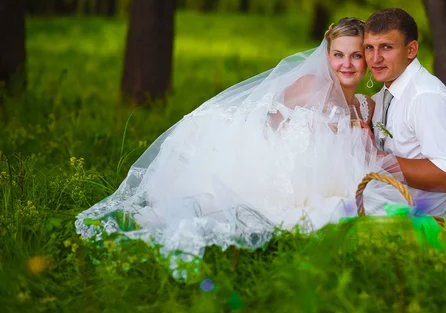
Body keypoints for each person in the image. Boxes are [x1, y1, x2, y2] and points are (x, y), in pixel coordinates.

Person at [75, 17, 408, 263]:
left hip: (324, 177)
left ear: (367, 59)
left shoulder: (365, 106)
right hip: (281, 165)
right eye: (339, 55)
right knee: (233, 208)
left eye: (355, 56)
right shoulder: (308, 86)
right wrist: (279, 161)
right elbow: (268, 121)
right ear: (327, 56)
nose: (347, 64)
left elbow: (367, 153)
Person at [364, 8, 446, 219]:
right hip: (387, 197)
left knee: (331, 207)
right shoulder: (388, 91)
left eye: (386, 47)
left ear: (411, 50)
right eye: (369, 48)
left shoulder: (426, 96)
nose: (375, 58)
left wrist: (376, 158)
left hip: (422, 214)